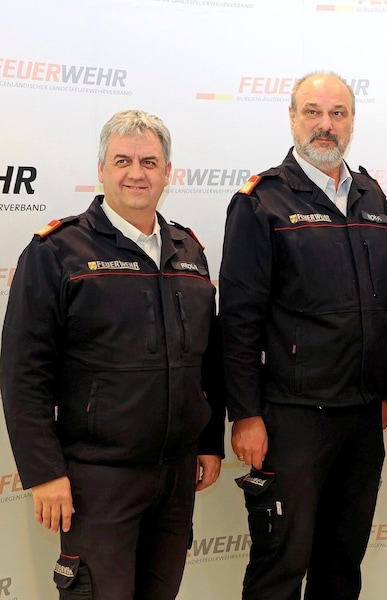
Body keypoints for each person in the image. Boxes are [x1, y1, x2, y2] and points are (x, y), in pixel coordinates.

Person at [0, 109, 224, 599]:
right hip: (95, 482)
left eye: (149, 161)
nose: (136, 172)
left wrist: (209, 441)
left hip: (174, 478)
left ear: (168, 172)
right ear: (101, 169)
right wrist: (44, 472)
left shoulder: (189, 251)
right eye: (122, 160)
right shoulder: (57, 252)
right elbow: (23, 372)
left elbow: (206, 361)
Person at [219, 71, 387, 600]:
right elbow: (238, 319)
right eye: (313, 112)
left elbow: (382, 303)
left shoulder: (371, 196)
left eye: (338, 113)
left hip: (362, 417)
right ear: (293, 118)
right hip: (290, 418)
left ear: (352, 122)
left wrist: (385, 388)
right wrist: (245, 414)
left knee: (342, 564)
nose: (326, 125)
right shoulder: (261, 201)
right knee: (281, 563)